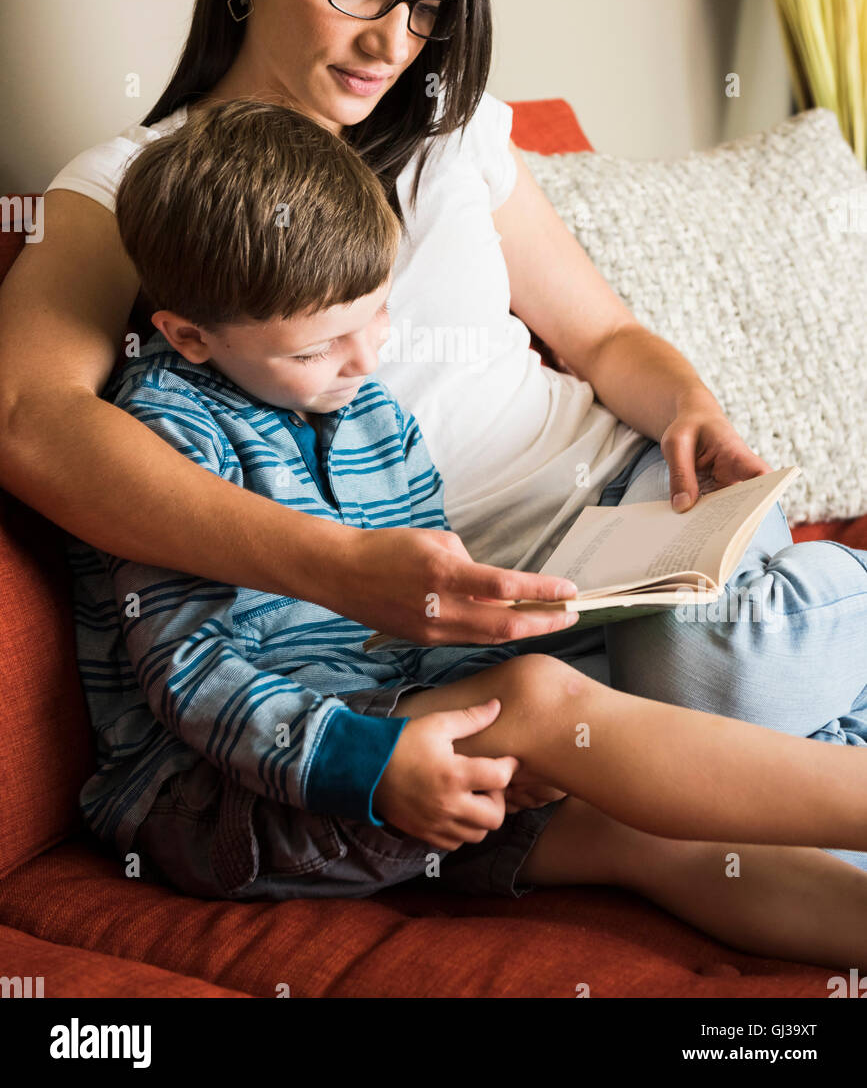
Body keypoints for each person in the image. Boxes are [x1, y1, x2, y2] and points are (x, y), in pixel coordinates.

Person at [1, 0, 865, 892]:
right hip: (477, 620)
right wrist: (346, 570)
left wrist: (690, 405)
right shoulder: (139, 190)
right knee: (705, 703)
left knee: (722, 661)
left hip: (635, 522)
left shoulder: (453, 141)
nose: (392, 42)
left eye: (429, 5)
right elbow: (31, 418)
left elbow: (605, 342)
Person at [72, 96, 867, 970]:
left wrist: (477, 685)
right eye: (318, 346)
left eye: (375, 315)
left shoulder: (366, 408)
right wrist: (375, 764)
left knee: (652, 832)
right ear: (188, 336)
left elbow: (410, 628)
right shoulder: (163, 437)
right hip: (225, 792)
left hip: (387, 726)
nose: (366, 360)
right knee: (535, 700)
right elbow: (193, 678)